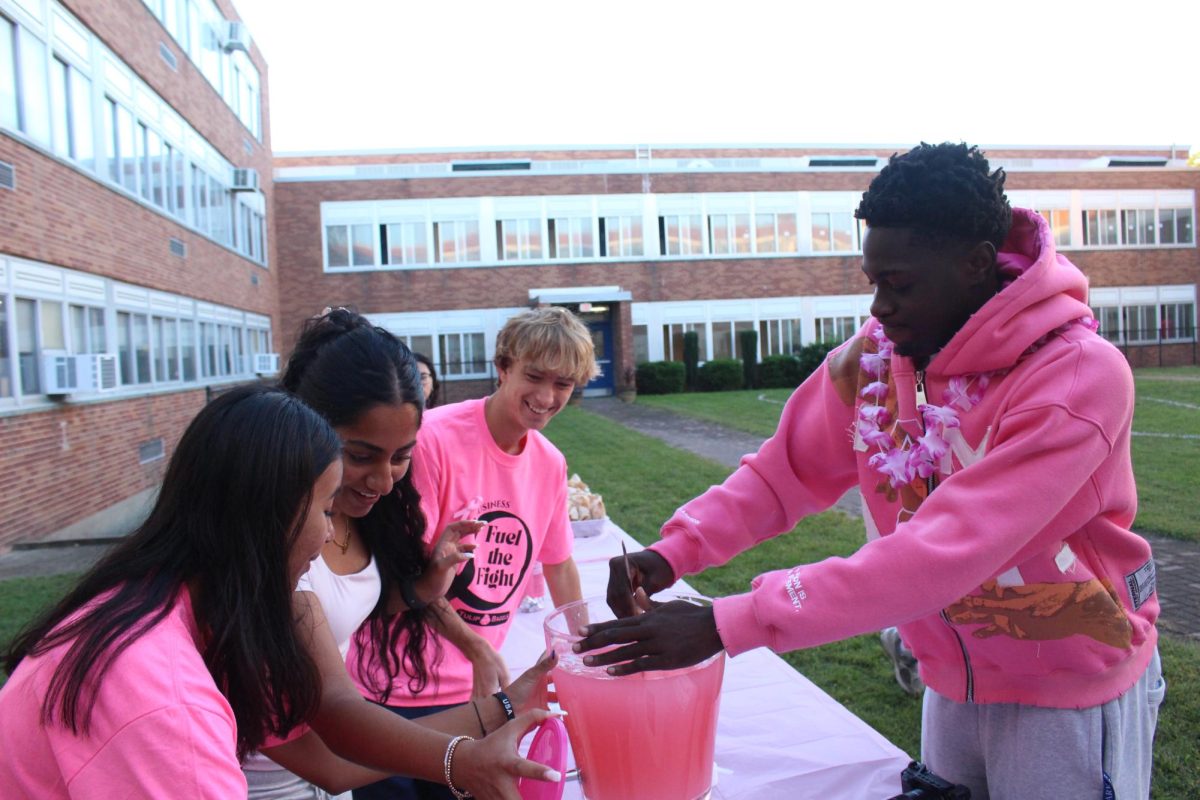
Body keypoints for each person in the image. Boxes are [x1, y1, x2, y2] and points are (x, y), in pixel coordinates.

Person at [577, 143, 1165, 800]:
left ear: (975, 263)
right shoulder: (880, 363)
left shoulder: (1077, 376)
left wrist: (726, 623)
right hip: (952, 682)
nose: (880, 307)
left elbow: (946, 551)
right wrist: (671, 552)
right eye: (874, 282)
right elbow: (783, 474)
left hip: (1070, 686)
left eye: (901, 284)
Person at [249, 307, 561, 800]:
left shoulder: (357, 511)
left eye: (401, 457)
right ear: (309, 424)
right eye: (360, 455)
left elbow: (358, 598)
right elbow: (333, 740)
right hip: (262, 782)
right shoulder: (283, 542)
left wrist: (423, 585)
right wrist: (478, 739)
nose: (383, 480)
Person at [0, 385, 343, 797]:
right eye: (326, 510)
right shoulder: (167, 706)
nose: (330, 534)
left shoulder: (139, 601)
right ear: (269, 515)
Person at [351, 305, 598, 800]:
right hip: (392, 691)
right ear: (503, 367)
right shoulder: (435, 440)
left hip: (475, 698)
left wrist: (587, 653)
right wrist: (476, 647)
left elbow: (559, 563)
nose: (547, 397)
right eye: (534, 376)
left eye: (564, 385)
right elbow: (406, 570)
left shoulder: (549, 463)